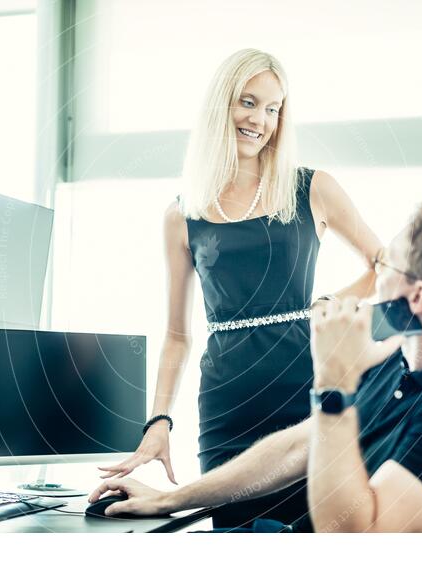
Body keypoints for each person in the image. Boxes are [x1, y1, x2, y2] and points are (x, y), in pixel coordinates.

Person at [90, 196, 422, 533]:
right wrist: (171, 499)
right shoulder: (398, 362)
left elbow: (357, 541)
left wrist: (333, 384)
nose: (377, 275)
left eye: (385, 263)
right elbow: (298, 447)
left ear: (417, 298)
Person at [98, 49, 383, 528]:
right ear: (220, 105)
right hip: (226, 406)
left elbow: (384, 265)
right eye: (248, 103)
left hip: (307, 393)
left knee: (321, 538)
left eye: (273, 109)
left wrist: (332, 302)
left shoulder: (312, 187)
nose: (260, 120)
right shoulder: (181, 214)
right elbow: (177, 335)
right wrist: (158, 422)